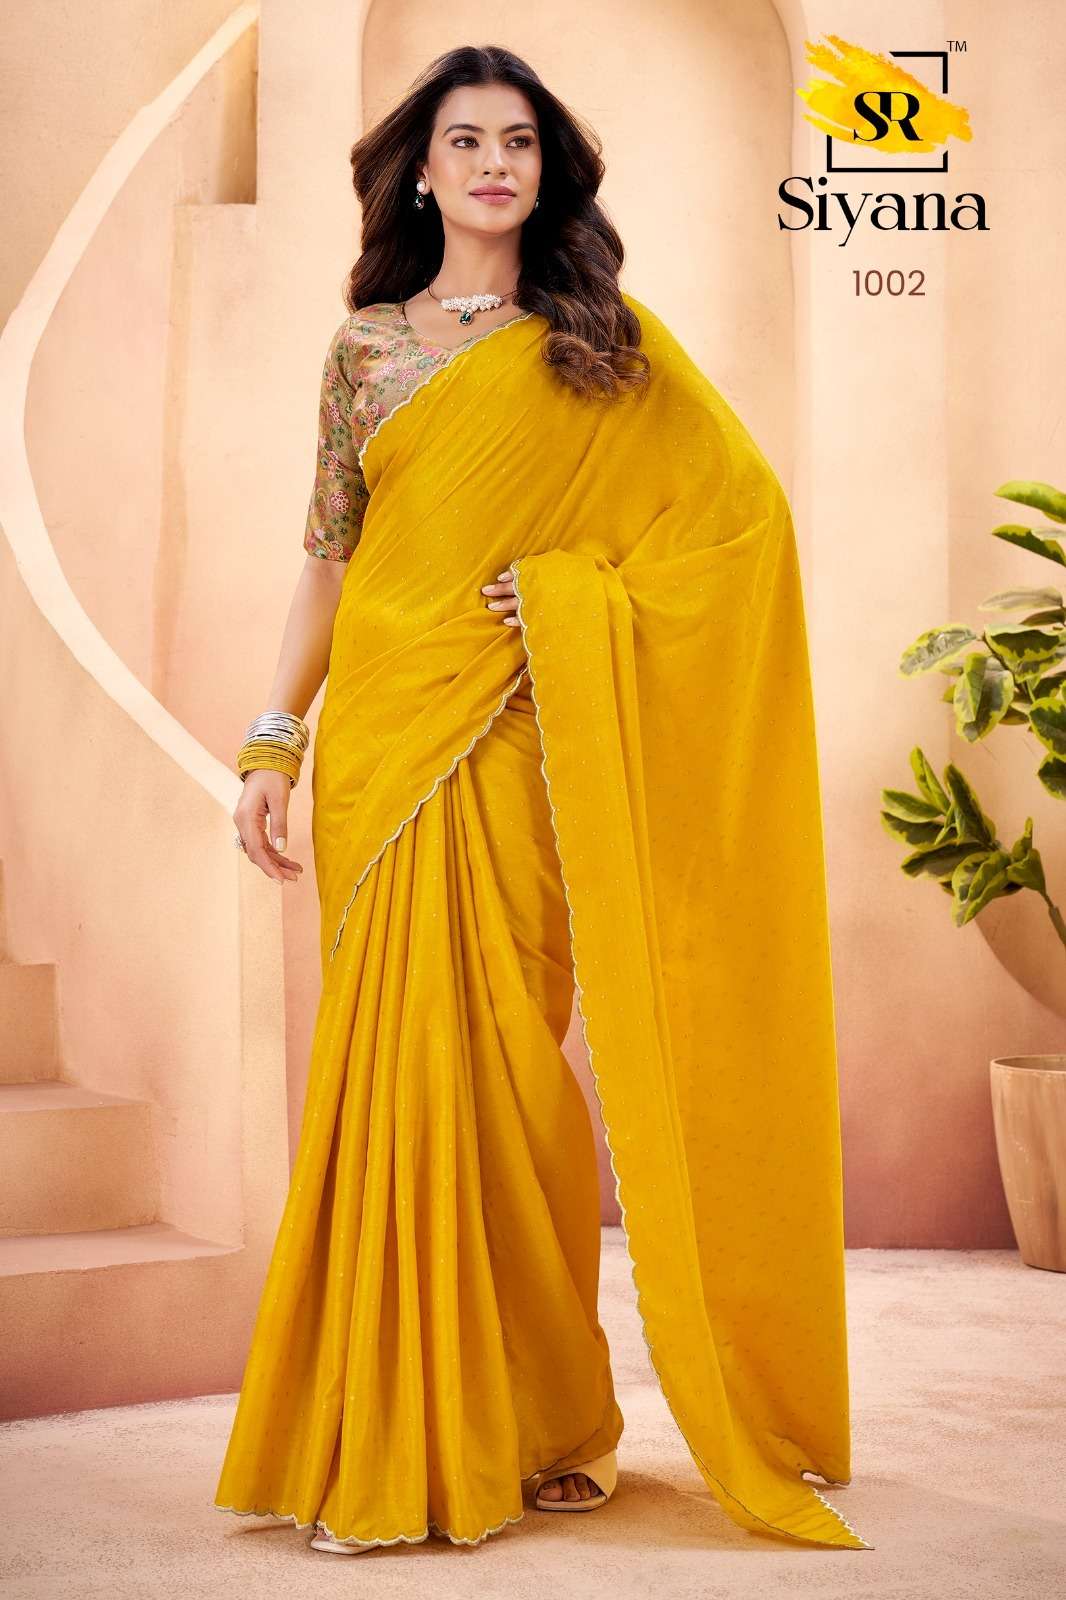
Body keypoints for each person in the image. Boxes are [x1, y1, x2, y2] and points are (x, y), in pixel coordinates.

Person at [212, 44, 871, 1557]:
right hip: (382, 744)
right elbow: (328, 561)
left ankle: (550, 1415)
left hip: (513, 738)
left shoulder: (602, 345)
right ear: (418, 171)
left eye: (518, 141)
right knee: (387, 1082)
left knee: (511, 1075)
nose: (494, 164)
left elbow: (738, 535)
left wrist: (578, 594)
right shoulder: (363, 351)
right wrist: (272, 741)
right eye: (465, 140)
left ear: (548, 170)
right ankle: (382, 1434)